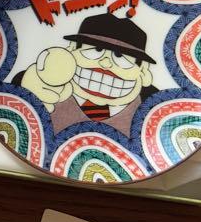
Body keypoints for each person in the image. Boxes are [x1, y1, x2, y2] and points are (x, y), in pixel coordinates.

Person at [12, 12, 158, 137]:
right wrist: (25, 92)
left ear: (143, 70)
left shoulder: (152, 105)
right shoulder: (46, 87)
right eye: (97, 49)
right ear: (71, 50)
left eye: (120, 56)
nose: (105, 63)